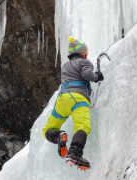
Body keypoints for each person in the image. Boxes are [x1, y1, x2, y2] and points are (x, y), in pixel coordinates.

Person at [42, 36, 104, 169]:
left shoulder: (65, 66)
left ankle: (58, 136)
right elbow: (87, 75)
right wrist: (97, 76)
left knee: (48, 129)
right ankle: (74, 153)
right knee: (82, 127)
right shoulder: (84, 62)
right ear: (84, 53)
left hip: (62, 99)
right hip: (77, 99)